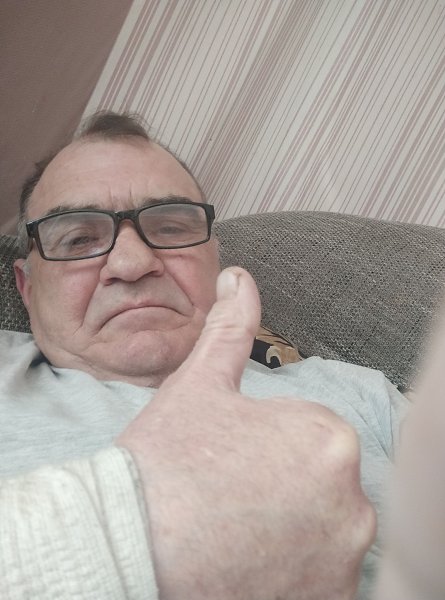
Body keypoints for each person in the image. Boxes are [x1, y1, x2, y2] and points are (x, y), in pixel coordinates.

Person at [0, 111, 407, 599]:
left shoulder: (360, 392)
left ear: (215, 256)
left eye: (170, 227)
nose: (132, 263)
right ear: (27, 287)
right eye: (79, 238)